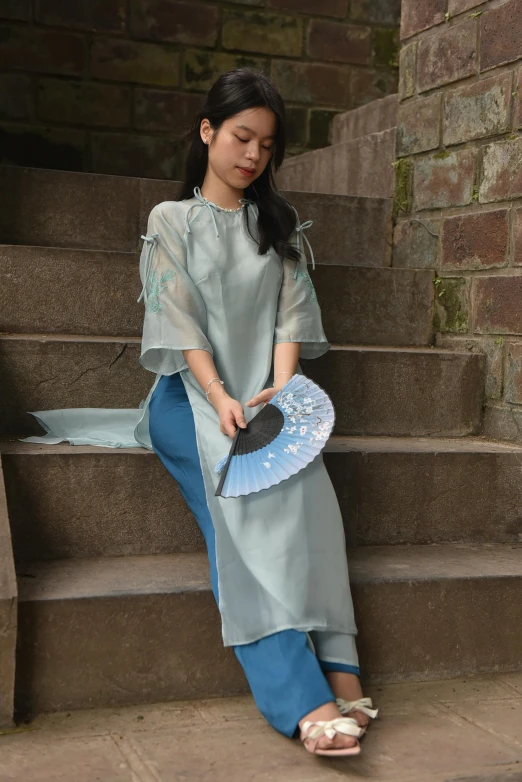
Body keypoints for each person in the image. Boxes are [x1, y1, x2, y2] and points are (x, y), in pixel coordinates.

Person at [24, 67, 378, 756]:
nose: (253, 155)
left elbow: (289, 324)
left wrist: (279, 396)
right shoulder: (171, 221)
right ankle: (302, 699)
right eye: (242, 136)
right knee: (239, 508)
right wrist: (221, 398)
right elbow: (178, 321)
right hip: (191, 402)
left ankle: (342, 661)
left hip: (261, 398)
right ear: (208, 131)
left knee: (310, 492)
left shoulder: (277, 227)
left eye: (267, 145)